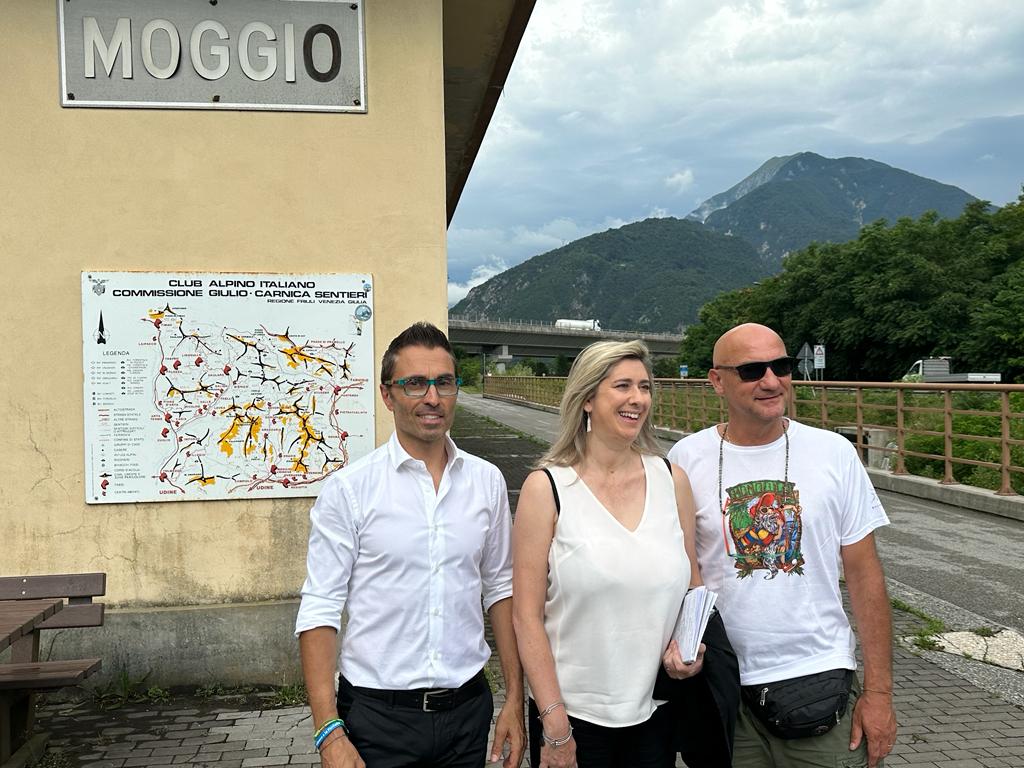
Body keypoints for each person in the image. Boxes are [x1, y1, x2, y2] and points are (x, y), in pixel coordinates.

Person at [295, 322, 525, 768]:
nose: (432, 397)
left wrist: (514, 698)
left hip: (468, 714)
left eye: (444, 382)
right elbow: (320, 606)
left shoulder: (487, 481)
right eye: (415, 383)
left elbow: (500, 589)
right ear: (388, 395)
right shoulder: (350, 490)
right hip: (378, 720)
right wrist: (328, 731)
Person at [668, 323, 898, 768]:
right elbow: (680, 570)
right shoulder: (685, 458)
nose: (772, 381)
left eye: (782, 366)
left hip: (818, 678)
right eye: (752, 370)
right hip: (723, 681)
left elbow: (865, 575)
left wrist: (879, 694)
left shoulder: (834, 453)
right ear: (717, 381)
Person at [512, 340, 705, 768]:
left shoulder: (672, 480)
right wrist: (555, 726)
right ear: (586, 399)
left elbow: (693, 584)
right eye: (622, 386)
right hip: (573, 718)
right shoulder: (547, 488)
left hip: (656, 711)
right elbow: (526, 617)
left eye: (644, 387)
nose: (638, 398)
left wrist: (689, 648)